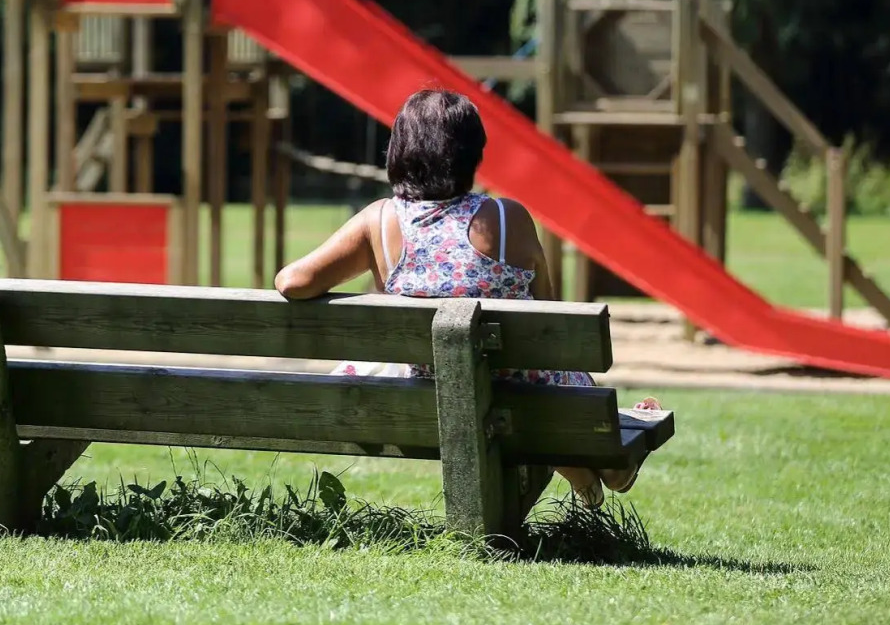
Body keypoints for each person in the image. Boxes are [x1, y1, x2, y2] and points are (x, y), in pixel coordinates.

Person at [274, 87, 662, 507]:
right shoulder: (505, 217)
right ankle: (607, 468)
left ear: (400, 151)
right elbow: (547, 313)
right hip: (521, 394)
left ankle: (587, 476)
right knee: (542, 376)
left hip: (429, 394)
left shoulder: (379, 220)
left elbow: (293, 282)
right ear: (472, 154)